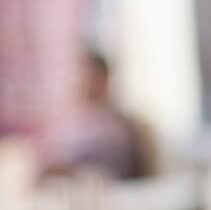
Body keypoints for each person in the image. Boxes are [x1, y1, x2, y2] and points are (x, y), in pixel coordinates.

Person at [37, 49, 144, 181]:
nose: (83, 81)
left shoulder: (114, 126)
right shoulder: (73, 119)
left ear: (104, 79)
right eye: (80, 74)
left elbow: (111, 172)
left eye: (90, 75)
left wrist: (67, 171)